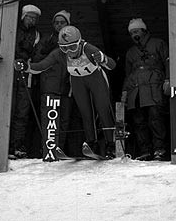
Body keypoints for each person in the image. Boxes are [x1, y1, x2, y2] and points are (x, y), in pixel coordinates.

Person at [15, 25, 117, 159]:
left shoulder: (89, 49)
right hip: (78, 82)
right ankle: (92, 142)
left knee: (103, 110)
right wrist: (26, 67)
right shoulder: (59, 54)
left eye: (72, 47)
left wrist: (103, 58)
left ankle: (111, 144)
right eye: (64, 48)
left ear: (80, 42)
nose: (69, 51)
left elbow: (112, 65)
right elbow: (41, 66)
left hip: (96, 80)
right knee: (86, 112)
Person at [121, 18, 170, 161]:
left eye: (136, 31)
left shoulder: (158, 43)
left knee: (156, 119)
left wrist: (168, 79)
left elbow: (168, 62)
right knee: (139, 121)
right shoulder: (130, 52)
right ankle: (145, 151)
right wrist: (124, 92)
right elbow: (127, 74)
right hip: (135, 91)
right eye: (131, 32)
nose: (134, 34)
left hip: (154, 87)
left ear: (144, 30)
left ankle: (159, 150)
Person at [32, 10, 73, 154]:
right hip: (50, 85)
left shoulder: (74, 40)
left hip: (68, 86)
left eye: (62, 22)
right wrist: (45, 52)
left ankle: (59, 149)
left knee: (64, 120)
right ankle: (49, 150)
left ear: (68, 24)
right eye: (56, 23)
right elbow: (36, 61)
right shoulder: (46, 39)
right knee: (50, 119)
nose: (59, 25)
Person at [9, 4, 41, 159]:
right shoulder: (12, 28)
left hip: (25, 73)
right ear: (23, 16)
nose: (32, 20)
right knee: (9, 108)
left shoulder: (36, 34)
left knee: (22, 110)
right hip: (9, 72)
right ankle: (6, 144)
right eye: (30, 16)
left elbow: (36, 53)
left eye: (35, 18)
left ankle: (18, 145)